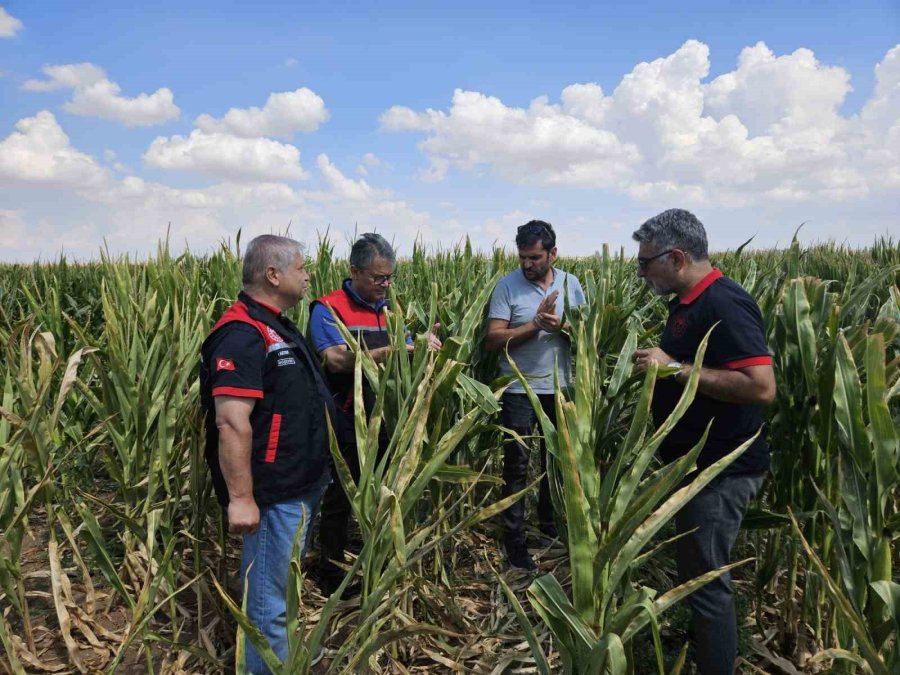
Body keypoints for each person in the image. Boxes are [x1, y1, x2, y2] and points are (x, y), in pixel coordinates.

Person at [631, 209, 776, 675]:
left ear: (676, 257)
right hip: (697, 468)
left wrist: (673, 369)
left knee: (707, 583)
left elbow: (760, 387)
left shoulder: (724, 302)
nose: (641, 272)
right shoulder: (689, 302)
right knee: (696, 574)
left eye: (645, 262)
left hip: (719, 471)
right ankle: (702, 648)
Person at [199, 234, 334, 674]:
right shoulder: (241, 334)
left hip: (297, 483)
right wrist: (241, 498)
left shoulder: (276, 324)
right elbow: (231, 422)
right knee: (266, 599)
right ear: (273, 274)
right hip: (272, 492)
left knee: (282, 587)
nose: (308, 275)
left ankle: (284, 660)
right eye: (301, 267)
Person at [308, 232, 440, 595]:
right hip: (345, 418)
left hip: (385, 419)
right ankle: (330, 571)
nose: (385, 285)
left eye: (389, 278)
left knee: (383, 491)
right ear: (354, 271)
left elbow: (406, 348)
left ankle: (375, 558)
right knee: (340, 495)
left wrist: (423, 346)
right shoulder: (328, 308)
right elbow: (334, 360)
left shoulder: (388, 309)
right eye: (378, 278)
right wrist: (392, 350)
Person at [483, 220, 586, 571]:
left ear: (552, 253)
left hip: (560, 389)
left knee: (557, 464)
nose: (527, 264)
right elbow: (493, 340)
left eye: (535, 257)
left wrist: (563, 326)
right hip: (518, 390)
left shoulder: (572, 284)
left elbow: (587, 332)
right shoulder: (507, 287)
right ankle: (514, 541)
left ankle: (548, 526)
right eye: (522, 257)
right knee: (517, 465)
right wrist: (534, 325)